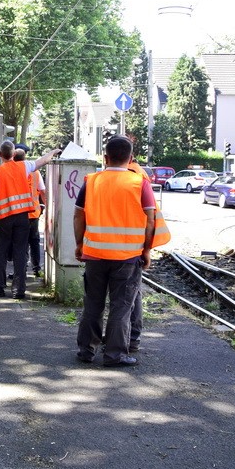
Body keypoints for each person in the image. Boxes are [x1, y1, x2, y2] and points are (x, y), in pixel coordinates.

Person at [74, 135, 156, 367]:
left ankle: (86, 351)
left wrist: (80, 244)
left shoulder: (91, 181)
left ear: (105, 158)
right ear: (130, 159)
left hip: (95, 254)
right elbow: (150, 221)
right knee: (121, 306)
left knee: (93, 304)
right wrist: (147, 250)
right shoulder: (140, 183)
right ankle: (115, 354)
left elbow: (78, 214)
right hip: (128, 257)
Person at [0, 141, 61, 299]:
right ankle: (19, 290)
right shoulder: (24, 166)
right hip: (23, 218)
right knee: (20, 252)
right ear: (13, 154)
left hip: (3, 219)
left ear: (0, 154)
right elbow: (43, 160)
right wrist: (54, 151)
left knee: (0, 251)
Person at [125, 142, 171, 352]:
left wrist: (146, 250)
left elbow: (148, 217)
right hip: (129, 244)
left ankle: (132, 338)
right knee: (129, 295)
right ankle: (129, 338)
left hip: (130, 246)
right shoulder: (137, 174)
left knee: (131, 296)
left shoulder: (135, 177)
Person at [14, 146, 46, 278]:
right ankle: (36, 268)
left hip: (18, 212)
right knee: (34, 241)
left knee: (20, 243)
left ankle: (21, 270)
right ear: (25, 158)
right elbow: (42, 191)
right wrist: (48, 207)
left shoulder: (12, 171)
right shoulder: (36, 173)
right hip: (33, 212)